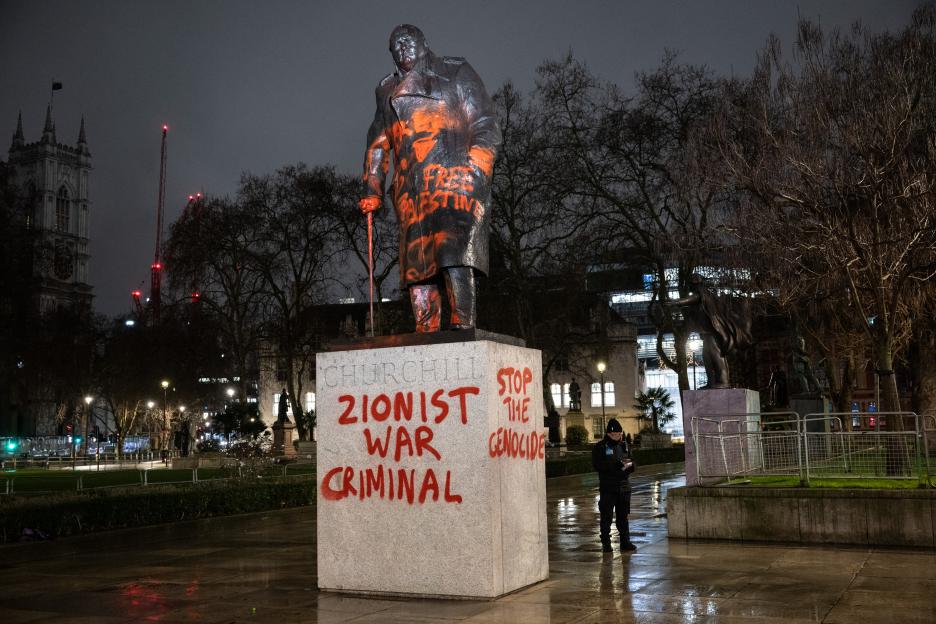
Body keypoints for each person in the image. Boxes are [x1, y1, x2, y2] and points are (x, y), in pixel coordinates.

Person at [359, 24, 502, 332]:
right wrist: (372, 187)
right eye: (395, 45)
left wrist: (474, 168)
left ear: (424, 43)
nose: (402, 48)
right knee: (417, 268)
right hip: (412, 190)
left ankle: (462, 325)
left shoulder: (456, 72)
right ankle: (426, 333)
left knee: (453, 254)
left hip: (455, 180)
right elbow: (378, 143)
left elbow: (485, 123)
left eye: (408, 42)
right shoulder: (386, 92)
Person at [591, 418, 636, 553]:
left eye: (619, 434)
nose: (618, 436)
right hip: (608, 488)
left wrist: (630, 466)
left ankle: (625, 542)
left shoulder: (624, 445)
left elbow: (632, 461)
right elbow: (598, 465)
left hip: (624, 488)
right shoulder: (600, 447)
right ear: (609, 434)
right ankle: (606, 543)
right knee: (607, 517)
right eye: (615, 434)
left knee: (623, 517)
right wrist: (615, 466)